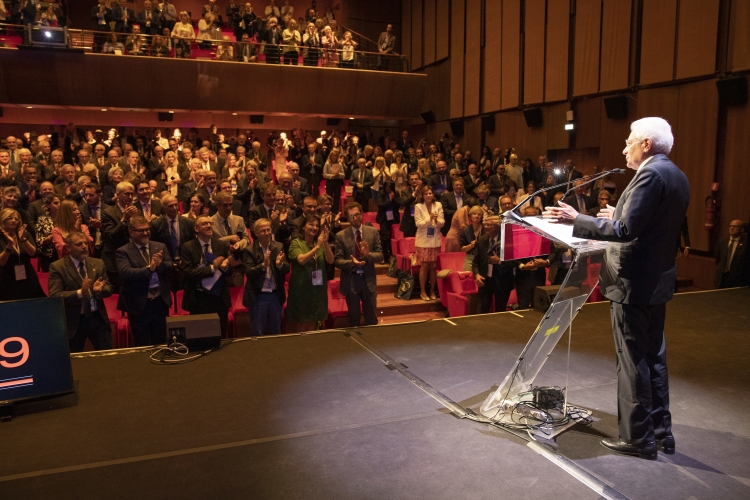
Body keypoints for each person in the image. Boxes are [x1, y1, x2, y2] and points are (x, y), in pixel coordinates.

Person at [544, 117, 690, 460]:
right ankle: (660, 432)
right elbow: (649, 225)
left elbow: (627, 231)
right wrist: (615, 214)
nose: (625, 148)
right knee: (654, 359)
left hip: (632, 284)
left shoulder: (650, 174)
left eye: (629, 142)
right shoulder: (676, 175)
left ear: (647, 145)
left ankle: (638, 439)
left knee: (633, 361)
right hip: (656, 282)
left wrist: (575, 220)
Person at [48, 231, 112, 352]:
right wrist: (80, 293)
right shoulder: (58, 267)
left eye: (85, 243)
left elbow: (109, 289)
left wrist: (98, 291)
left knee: (108, 356)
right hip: (75, 322)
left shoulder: (98, 263)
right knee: (75, 360)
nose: (84, 246)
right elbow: (55, 295)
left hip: (97, 318)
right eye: (79, 244)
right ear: (68, 247)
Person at [116, 216, 173, 346]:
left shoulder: (160, 246)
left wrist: (160, 265)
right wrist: (149, 268)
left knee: (161, 341)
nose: (146, 233)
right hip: (139, 305)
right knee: (141, 342)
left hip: (159, 302)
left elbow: (170, 268)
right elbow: (126, 273)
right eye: (141, 230)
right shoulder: (123, 251)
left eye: (147, 229)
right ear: (131, 232)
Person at [181, 215, 234, 337]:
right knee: (200, 336)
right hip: (198, 300)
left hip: (219, 299)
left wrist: (226, 268)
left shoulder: (221, 245)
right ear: (196, 228)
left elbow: (228, 272)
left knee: (221, 336)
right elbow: (188, 273)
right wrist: (212, 268)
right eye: (204, 223)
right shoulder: (188, 247)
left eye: (210, 223)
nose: (209, 225)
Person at [335, 202, 384, 326]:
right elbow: (337, 261)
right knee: (354, 318)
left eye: (357, 214)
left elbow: (380, 256)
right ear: (347, 217)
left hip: (368, 279)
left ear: (361, 214)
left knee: (371, 318)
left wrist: (368, 255)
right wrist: (351, 262)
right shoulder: (341, 236)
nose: (355, 218)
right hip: (351, 279)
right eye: (352, 216)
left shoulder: (373, 232)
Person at [286, 215, 333, 332]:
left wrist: (325, 243)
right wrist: (317, 247)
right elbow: (301, 260)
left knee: (314, 320)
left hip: (317, 289)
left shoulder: (320, 243)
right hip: (301, 289)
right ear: (303, 227)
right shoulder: (296, 243)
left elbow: (331, 260)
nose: (315, 227)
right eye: (311, 224)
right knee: (302, 322)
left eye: (317, 225)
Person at [243, 218, 290, 336]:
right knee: (257, 331)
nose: (266, 233)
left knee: (276, 331)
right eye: (263, 231)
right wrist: (263, 266)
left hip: (275, 295)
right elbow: (249, 272)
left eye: (268, 230)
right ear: (256, 233)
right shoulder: (250, 250)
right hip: (258, 295)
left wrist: (279, 265)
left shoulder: (278, 246)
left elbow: (287, 268)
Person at [472, 215, 515, 314]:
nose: (486, 227)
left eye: (489, 225)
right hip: (485, 280)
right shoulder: (482, 240)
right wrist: (477, 275)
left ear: (497, 226)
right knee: (482, 309)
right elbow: (476, 262)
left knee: (500, 310)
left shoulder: (507, 241)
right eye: (485, 224)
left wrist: (499, 261)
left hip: (502, 281)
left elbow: (515, 262)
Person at [0, 208, 45, 301]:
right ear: (2, 219)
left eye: (16, 219)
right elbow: (1, 263)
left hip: (27, 274)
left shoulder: (24, 234)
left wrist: (23, 239)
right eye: (10, 218)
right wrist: (9, 246)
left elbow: (34, 254)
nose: (14, 221)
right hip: (5, 277)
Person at [101, 181, 139, 291]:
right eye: (126, 194)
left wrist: (135, 221)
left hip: (133, 258)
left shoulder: (136, 211)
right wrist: (124, 220)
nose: (130, 197)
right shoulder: (108, 212)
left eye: (132, 194)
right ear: (117, 195)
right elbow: (111, 236)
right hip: (115, 258)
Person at [414, 186, 444, 301]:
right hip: (423, 241)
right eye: (426, 194)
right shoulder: (418, 206)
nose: (429, 195)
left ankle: (432, 291)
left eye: (430, 193)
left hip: (435, 239)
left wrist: (436, 220)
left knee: (434, 266)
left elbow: (442, 223)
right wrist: (429, 218)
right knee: (425, 266)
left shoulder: (438, 205)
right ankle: (423, 291)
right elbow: (419, 224)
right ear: (422, 195)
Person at [714, 220, 747, 289]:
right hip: (722, 277)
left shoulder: (746, 244)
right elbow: (718, 259)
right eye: (730, 226)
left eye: (735, 227)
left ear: (742, 229)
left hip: (737, 278)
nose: (732, 228)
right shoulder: (722, 242)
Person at [460, 205, 484, 271]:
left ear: (481, 216)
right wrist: (470, 246)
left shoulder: (486, 228)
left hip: (483, 258)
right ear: (470, 216)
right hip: (470, 258)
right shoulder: (465, 231)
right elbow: (462, 249)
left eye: (479, 214)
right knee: (467, 277)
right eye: (474, 214)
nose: (476, 216)